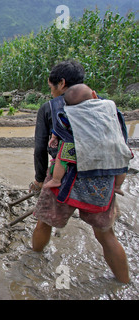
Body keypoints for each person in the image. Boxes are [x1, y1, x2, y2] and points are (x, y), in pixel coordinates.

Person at [30, 60, 130, 284]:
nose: (52, 91)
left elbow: (40, 148)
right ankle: (124, 282)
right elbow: (120, 146)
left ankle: (32, 258)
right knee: (106, 234)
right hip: (103, 180)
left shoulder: (52, 108)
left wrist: (39, 180)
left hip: (64, 178)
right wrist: (116, 182)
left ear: (61, 83)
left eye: (51, 86)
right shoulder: (108, 107)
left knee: (44, 221)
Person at [44, 84, 131, 197]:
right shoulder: (109, 106)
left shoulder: (71, 112)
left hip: (87, 148)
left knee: (62, 156)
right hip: (114, 145)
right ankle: (118, 186)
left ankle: (56, 179)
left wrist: (55, 137)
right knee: (123, 161)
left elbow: (61, 126)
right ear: (94, 95)